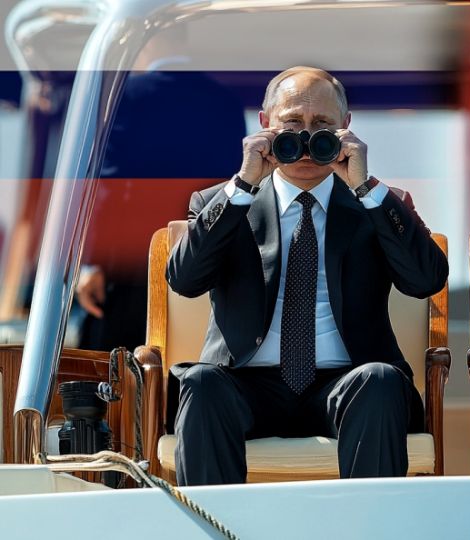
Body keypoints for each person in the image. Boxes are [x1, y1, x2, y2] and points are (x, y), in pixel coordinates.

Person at [166, 66, 448, 485]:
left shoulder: (378, 203)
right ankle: (212, 520)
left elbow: (426, 280)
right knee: (202, 382)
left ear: (346, 127)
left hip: (346, 383)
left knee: (380, 380)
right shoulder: (223, 201)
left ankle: (370, 521)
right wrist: (243, 185)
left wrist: (366, 189)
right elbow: (185, 279)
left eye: (322, 126)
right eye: (292, 123)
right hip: (245, 383)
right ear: (265, 124)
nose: (305, 140)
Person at [76, 28, 247, 351]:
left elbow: (110, 184)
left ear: (146, 42)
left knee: (117, 365)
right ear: (181, 40)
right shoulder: (226, 102)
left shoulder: (124, 96)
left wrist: (93, 263)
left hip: (132, 262)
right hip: (205, 253)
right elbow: (233, 186)